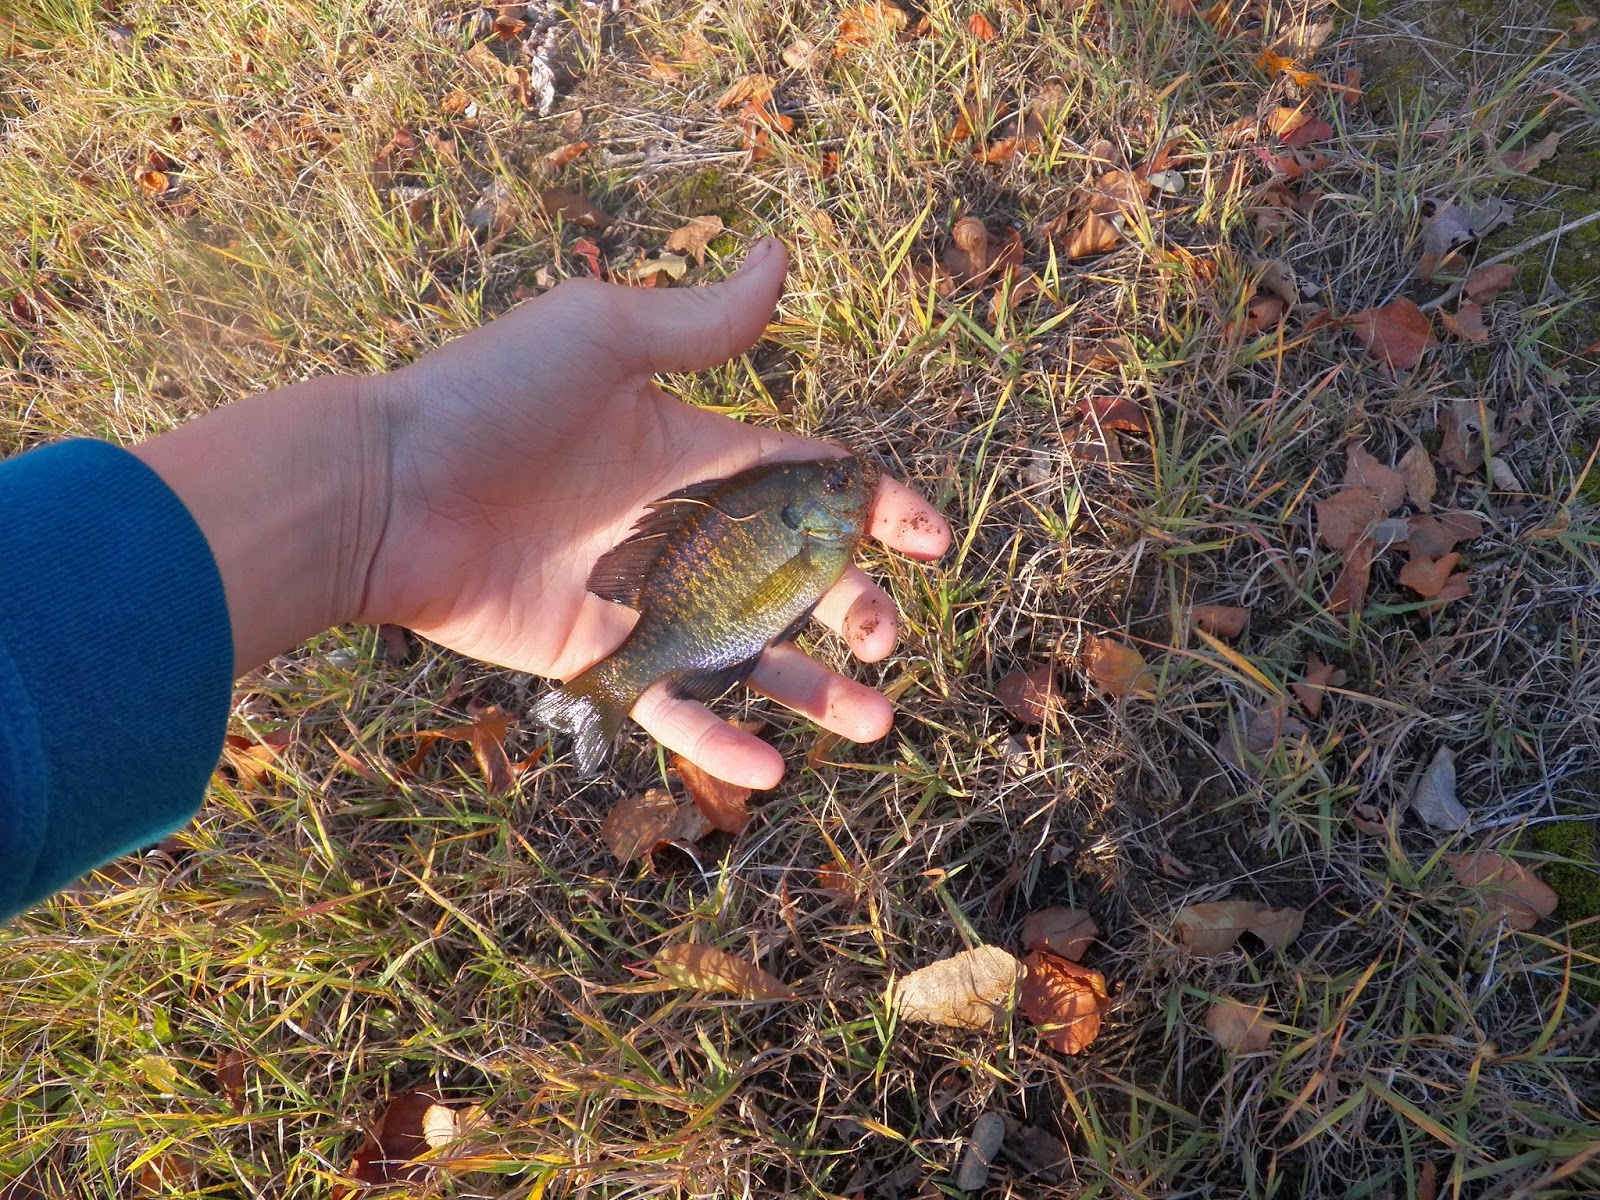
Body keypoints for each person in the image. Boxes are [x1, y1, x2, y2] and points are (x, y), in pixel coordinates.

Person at [0, 238, 951, 920]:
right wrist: (386, 477)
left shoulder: (805, 531)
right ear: (811, 511)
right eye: (838, 485)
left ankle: (602, 696)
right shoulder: (804, 532)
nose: (851, 484)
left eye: (841, 483)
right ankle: (602, 698)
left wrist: (387, 478)